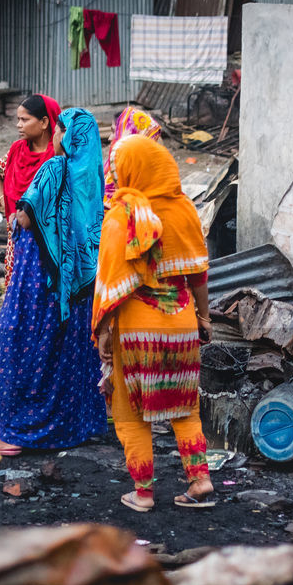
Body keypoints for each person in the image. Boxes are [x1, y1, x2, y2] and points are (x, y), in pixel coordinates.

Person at [93, 134, 214, 512]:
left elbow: (111, 285)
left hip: (136, 328)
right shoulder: (184, 210)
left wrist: (102, 334)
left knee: (131, 411)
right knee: (185, 407)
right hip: (181, 323)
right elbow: (199, 275)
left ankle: (143, 492)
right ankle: (200, 480)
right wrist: (205, 317)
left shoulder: (122, 216)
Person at [0, 108, 107, 455]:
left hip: (41, 277)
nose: (54, 136)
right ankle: (72, 425)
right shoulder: (92, 175)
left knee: (26, 345)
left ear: (67, 135)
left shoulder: (55, 167)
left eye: (58, 130)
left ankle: (19, 431)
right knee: (65, 349)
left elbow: (25, 217)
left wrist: (16, 214)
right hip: (78, 281)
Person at [0, 94, 60, 288]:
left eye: (25, 120)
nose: (19, 125)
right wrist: (6, 203)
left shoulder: (58, 157)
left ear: (44, 122)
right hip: (17, 238)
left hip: (48, 242)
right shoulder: (17, 150)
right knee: (18, 292)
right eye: (18, 120)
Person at [104, 107, 160, 207]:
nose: (110, 138)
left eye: (114, 132)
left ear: (129, 134)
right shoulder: (111, 168)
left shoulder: (136, 179)